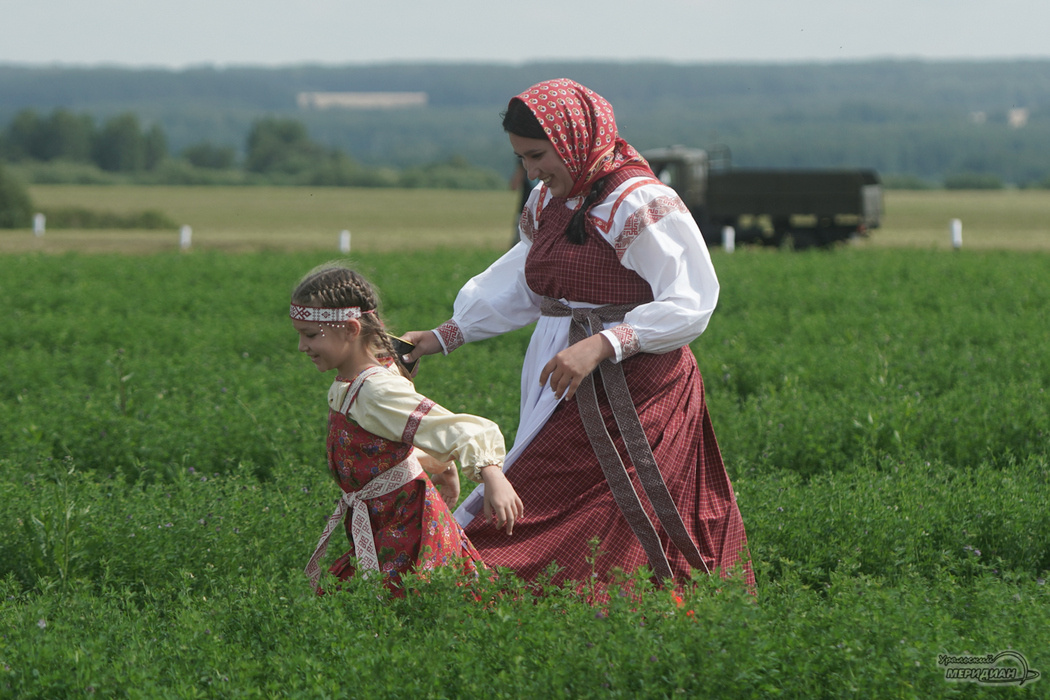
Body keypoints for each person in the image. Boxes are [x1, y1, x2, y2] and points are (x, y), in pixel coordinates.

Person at [402, 79, 754, 591]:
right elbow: (529, 282)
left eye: (538, 155)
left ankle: (478, 589)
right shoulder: (548, 200)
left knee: (561, 498)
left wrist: (604, 344)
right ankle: (560, 609)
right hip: (564, 372)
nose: (531, 171)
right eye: (522, 159)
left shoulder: (639, 202)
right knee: (561, 500)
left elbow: (692, 301)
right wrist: (442, 336)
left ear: (572, 140)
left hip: (635, 386)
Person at [291, 262, 522, 594]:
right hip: (385, 523)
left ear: (352, 330)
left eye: (311, 335)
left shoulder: (377, 391)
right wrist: (437, 466)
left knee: (413, 609)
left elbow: (462, 429)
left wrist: (492, 476)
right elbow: (394, 437)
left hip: (410, 531)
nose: (302, 346)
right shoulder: (356, 383)